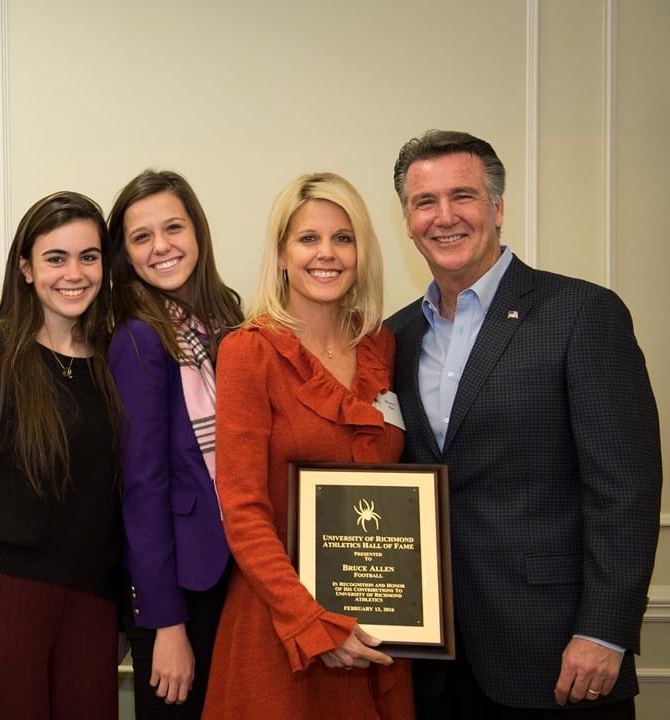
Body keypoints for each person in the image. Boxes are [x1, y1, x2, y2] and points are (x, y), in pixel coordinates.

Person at [385, 130, 662, 719]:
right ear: (407, 221)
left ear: (497, 207)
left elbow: (627, 490)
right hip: (434, 661)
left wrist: (606, 631)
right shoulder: (395, 335)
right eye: (424, 202)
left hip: (561, 655)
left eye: (463, 195)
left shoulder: (581, 313)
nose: (444, 217)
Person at [203, 172, 413, 719]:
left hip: (376, 621)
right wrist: (313, 621)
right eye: (308, 239)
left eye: (343, 238)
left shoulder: (381, 346)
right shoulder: (249, 352)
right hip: (281, 626)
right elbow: (244, 511)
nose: (327, 254)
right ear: (281, 254)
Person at [0, 191, 125, 720]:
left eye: (88, 256)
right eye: (55, 258)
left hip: (94, 604)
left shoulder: (118, 360)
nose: (74, 273)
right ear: (25, 268)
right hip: (2, 599)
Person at [106, 169, 243, 717]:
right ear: (126, 255)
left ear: (198, 233)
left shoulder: (226, 321)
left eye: (173, 228)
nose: (161, 247)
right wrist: (165, 623)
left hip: (233, 571)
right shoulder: (138, 336)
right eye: (141, 237)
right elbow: (140, 489)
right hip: (182, 589)